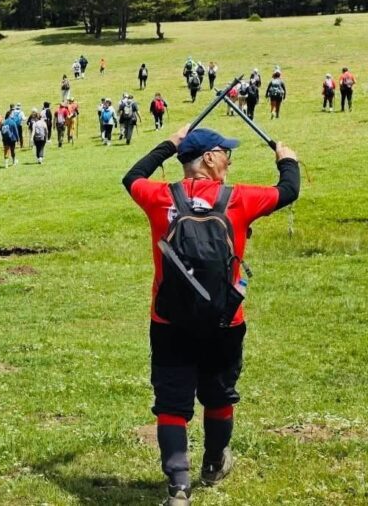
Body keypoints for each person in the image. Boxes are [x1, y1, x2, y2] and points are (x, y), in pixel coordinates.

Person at [122, 127, 300, 506]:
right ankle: (214, 463)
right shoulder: (237, 199)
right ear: (207, 158)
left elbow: (132, 177)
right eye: (224, 153)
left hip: (168, 322)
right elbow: (289, 191)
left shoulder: (159, 197)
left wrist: (168, 143)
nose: (229, 160)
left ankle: (178, 489)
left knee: (171, 403)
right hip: (224, 322)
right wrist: (286, 159)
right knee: (219, 396)